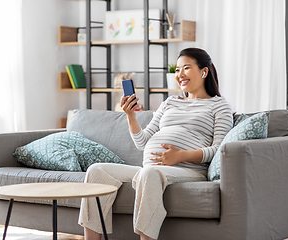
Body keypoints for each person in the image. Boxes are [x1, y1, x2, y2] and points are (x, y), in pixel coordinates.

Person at [78, 48, 233, 240]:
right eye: (177, 70)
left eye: (186, 68)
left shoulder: (220, 106)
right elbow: (142, 142)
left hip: (189, 169)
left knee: (149, 173)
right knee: (96, 171)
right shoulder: (169, 103)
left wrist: (181, 155)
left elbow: (220, 149)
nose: (180, 75)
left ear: (204, 71)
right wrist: (130, 116)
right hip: (151, 168)